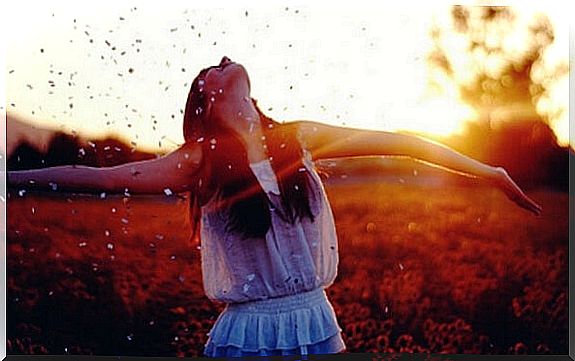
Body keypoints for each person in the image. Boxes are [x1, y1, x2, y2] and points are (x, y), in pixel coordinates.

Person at [7, 56, 542, 357]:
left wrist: (488, 170)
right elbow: (98, 177)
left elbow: (402, 140)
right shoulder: (203, 160)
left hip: (316, 320)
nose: (220, 63)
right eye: (207, 74)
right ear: (208, 103)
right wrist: (11, 180)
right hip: (248, 334)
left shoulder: (298, 139)